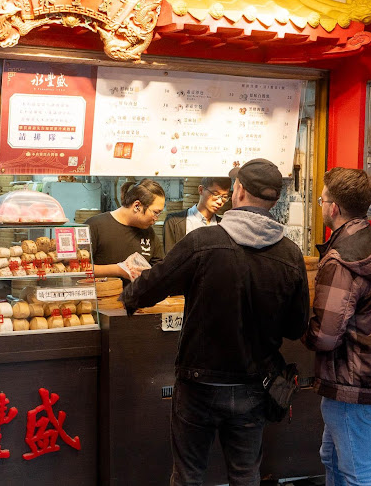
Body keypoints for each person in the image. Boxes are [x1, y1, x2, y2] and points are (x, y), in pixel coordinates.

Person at [121, 158, 309, 486]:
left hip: (198, 385)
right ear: (275, 201)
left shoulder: (203, 243)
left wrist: (127, 299)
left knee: (189, 476)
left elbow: (147, 289)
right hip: (254, 384)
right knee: (245, 476)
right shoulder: (291, 255)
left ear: (237, 192)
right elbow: (296, 327)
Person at [301, 167, 371, 486]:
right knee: (332, 458)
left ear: (333, 207)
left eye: (321, 199)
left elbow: (325, 335)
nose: (321, 206)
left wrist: (299, 328)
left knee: (357, 471)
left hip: (352, 380)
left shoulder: (341, 260)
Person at [84, 179, 165, 282]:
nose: (156, 218)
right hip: (103, 296)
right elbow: (76, 269)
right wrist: (118, 270)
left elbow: (158, 270)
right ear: (137, 206)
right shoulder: (95, 226)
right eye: (155, 212)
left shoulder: (148, 232)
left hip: (136, 297)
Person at [163, 176, 232, 252]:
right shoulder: (174, 222)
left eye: (224, 197)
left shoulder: (224, 225)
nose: (220, 201)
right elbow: (170, 260)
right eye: (215, 194)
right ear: (201, 190)